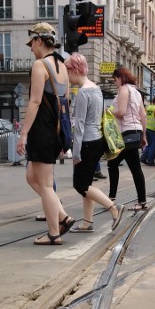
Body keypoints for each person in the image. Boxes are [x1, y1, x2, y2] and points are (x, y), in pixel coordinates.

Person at [16, 22, 75, 246]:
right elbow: (66, 104)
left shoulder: (39, 65)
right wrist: (63, 136)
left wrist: (23, 133)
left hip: (41, 130)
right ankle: (63, 217)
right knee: (32, 177)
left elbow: (35, 100)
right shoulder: (62, 68)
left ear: (40, 41)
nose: (31, 48)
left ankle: (53, 233)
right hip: (55, 130)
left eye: (32, 43)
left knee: (46, 184)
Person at [64, 53, 123, 232]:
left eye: (68, 72)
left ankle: (113, 208)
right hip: (97, 140)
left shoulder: (82, 93)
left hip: (87, 142)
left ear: (75, 70)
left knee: (80, 185)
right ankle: (87, 223)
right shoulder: (96, 89)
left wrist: (75, 152)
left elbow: (80, 125)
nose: (67, 77)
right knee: (87, 183)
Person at [107, 66, 148, 211]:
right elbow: (143, 115)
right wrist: (143, 135)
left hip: (127, 132)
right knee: (130, 166)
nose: (115, 83)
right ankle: (139, 200)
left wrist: (110, 111)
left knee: (115, 163)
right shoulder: (136, 92)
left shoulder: (124, 89)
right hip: (135, 132)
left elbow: (122, 112)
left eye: (115, 80)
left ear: (120, 77)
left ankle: (112, 199)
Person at [140, 95, 155, 166]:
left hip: (147, 128)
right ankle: (151, 161)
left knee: (149, 145)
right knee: (154, 146)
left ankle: (143, 158)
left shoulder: (148, 107)